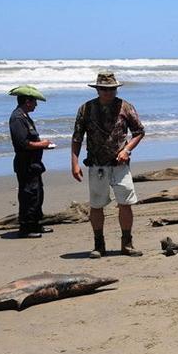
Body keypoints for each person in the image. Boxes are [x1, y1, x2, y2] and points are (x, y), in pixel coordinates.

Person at [71, 72, 146, 258]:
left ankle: (127, 243)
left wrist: (126, 150)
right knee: (96, 205)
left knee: (126, 203)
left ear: (116, 89)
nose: (108, 92)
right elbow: (77, 138)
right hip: (97, 165)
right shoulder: (85, 109)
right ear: (97, 89)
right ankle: (99, 245)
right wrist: (74, 163)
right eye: (104, 89)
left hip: (120, 165)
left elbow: (139, 132)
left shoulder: (125, 106)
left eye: (111, 89)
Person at [8, 85, 54, 238]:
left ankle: (36, 224)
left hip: (34, 164)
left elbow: (31, 140)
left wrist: (43, 146)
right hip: (25, 164)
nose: (36, 105)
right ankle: (26, 228)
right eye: (34, 102)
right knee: (28, 195)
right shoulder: (17, 118)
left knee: (37, 195)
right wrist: (42, 144)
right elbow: (23, 143)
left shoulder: (25, 117)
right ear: (27, 101)